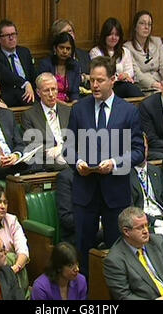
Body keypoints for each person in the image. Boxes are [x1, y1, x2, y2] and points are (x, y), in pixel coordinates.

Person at [64, 56, 144, 276]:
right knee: (83, 251)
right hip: (85, 192)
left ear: (113, 80)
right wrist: (78, 162)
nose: (95, 85)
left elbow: (139, 152)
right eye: (91, 80)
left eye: (100, 80)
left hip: (115, 192)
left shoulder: (128, 112)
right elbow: (68, 148)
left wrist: (115, 163)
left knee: (118, 251)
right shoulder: (79, 109)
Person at [103, 206, 163, 300]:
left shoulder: (157, 241)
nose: (146, 231)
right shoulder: (115, 260)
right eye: (140, 228)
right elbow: (124, 296)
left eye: (146, 225)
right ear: (126, 231)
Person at [131, 134, 163, 227]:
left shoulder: (156, 171)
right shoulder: (125, 175)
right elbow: (131, 210)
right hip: (142, 224)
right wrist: (160, 223)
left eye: (143, 147)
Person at [21, 72, 70, 169]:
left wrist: (61, 149)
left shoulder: (68, 110)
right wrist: (53, 151)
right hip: (48, 160)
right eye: (46, 91)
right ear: (38, 93)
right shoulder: (29, 115)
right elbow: (33, 146)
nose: (51, 94)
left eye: (54, 89)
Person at [0, 19, 36, 107]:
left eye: (13, 34)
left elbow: (33, 74)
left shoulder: (24, 52)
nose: (11, 38)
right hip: (9, 98)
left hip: (29, 94)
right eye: (7, 35)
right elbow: (6, 75)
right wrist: (25, 83)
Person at [89, 17, 143, 98]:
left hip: (123, 85)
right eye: (110, 34)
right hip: (105, 87)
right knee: (129, 88)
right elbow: (102, 73)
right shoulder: (95, 52)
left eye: (117, 35)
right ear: (105, 35)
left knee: (131, 88)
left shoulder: (125, 51)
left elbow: (130, 71)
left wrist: (126, 75)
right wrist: (119, 77)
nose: (114, 38)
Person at [124, 10, 163, 91]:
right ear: (135, 26)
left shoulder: (157, 42)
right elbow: (137, 74)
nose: (146, 27)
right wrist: (155, 84)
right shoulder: (127, 47)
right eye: (142, 23)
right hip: (144, 87)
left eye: (149, 24)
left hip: (162, 84)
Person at [37, 32, 80, 105]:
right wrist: (61, 104)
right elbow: (43, 91)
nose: (65, 51)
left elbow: (75, 91)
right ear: (55, 48)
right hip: (49, 103)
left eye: (68, 48)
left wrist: (74, 103)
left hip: (68, 104)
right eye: (61, 47)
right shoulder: (45, 64)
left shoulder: (75, 65)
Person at [50, 19, 91, 87]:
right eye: (64, 33)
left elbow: (93, 77)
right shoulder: (50, 61)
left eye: (70, 31)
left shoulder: (84, 55)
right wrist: (84, 78)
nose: (69, 35)